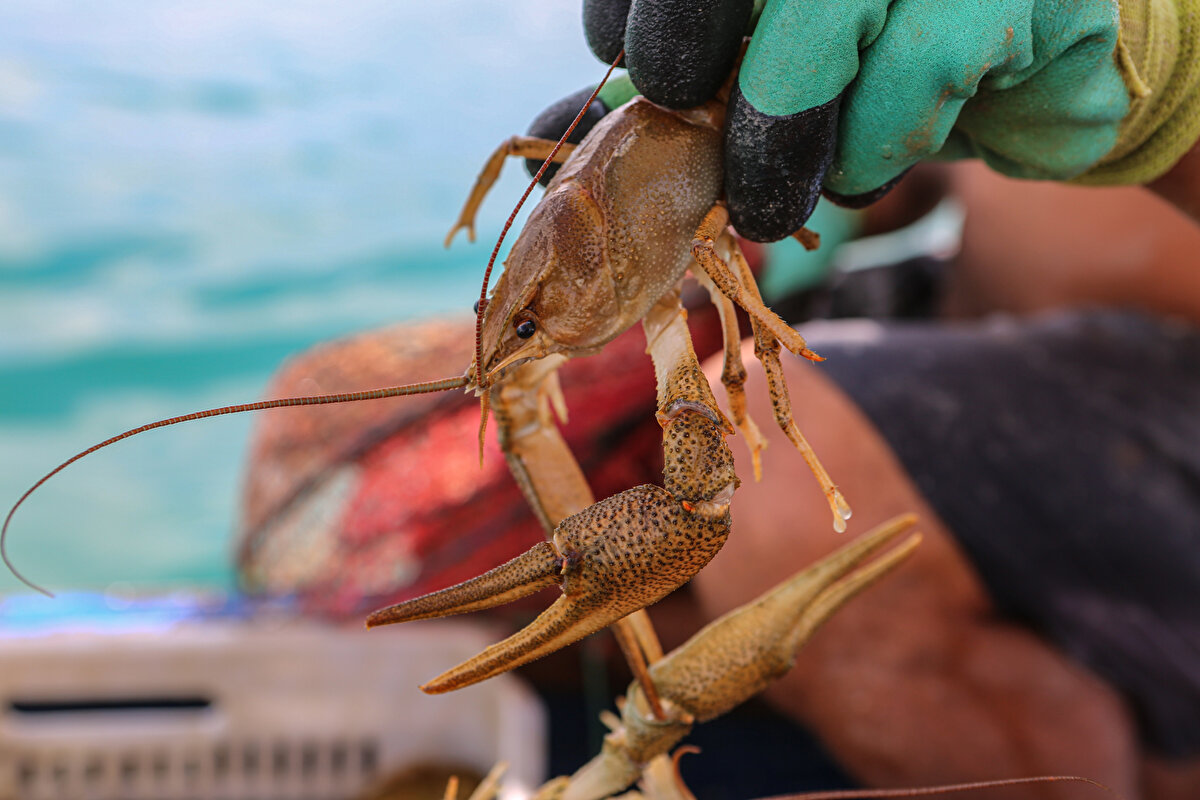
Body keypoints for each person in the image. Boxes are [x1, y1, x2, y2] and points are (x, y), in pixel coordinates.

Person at [564, 2, 1200, 799]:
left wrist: (1173, 85)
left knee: (767, 436)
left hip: (1167, 395)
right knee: (616, 426)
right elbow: (918, 164)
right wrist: (772, 155)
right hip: (962, 320)